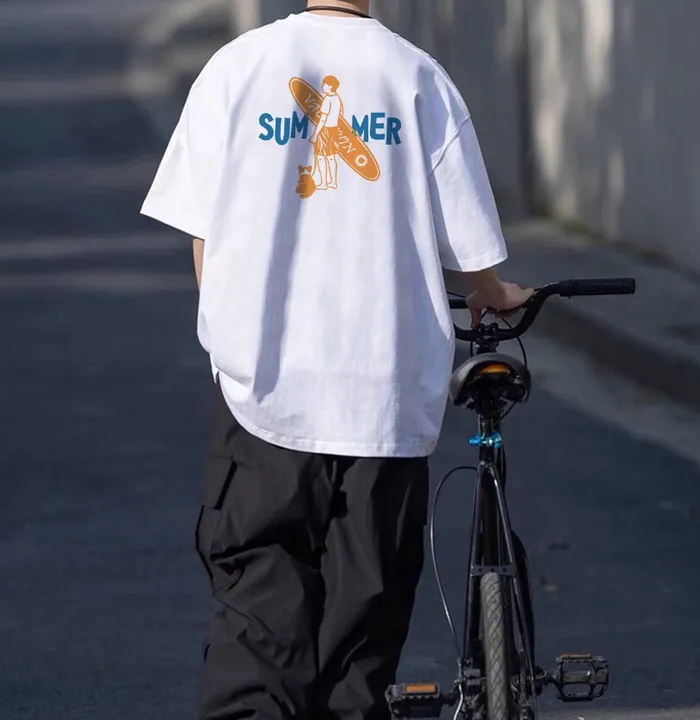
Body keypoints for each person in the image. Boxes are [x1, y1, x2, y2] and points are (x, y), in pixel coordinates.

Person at [140, 1, 534, 718]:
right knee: (362, 629)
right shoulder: (417, 78)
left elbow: (204, 232)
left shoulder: (238, 67)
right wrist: (494, 292)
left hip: (265, 391)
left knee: (258, 616)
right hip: (382, 395)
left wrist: (232, 334)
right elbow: (470, 245)